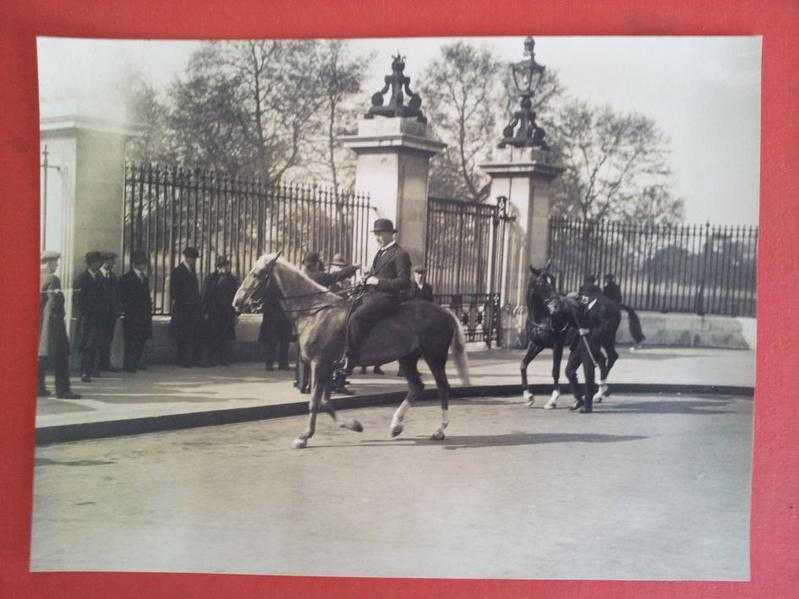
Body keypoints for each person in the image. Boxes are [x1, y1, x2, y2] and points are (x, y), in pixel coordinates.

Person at [344, 218, 412, 371]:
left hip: (388, 298)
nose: (377, 237)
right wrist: (367, 278)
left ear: (390, 234)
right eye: (376, 234)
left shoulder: (400, 254)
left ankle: (352, 358)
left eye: (380, 234)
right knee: (346, 311)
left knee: (357, 317)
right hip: (372, 295)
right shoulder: (380, 253)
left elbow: (404, 282)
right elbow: (378, 275)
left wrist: (377, 282)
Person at [295, 251, 359, 393]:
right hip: (319, 319)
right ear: (316, 263)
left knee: (305, 352)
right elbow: (334, 278)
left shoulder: (301, 275)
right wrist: (354, 267)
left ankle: (302, 383)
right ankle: (327, 385)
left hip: (304, 319)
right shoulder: (316, 276)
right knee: (329, 351)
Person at [38, 251, 80, 399]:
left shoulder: (35, 276)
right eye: (55, 262)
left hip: (39, 324)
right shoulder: (53, 279)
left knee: (40, 357)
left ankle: (39, 388)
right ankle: (63, 390)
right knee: (61, 356)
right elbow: (56, 303)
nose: (56, 265)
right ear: (49, 263)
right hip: (53, 324)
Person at [564, 284, 612, 414]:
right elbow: (573, 317)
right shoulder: (582, 305)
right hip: (578, 344)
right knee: (569, 371)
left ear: (594, 296)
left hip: (591, 344)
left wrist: (589, 331)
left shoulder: (601, 308)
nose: (583, 296)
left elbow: (606, 327)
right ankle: (579, 398)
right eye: (582, 294)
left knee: (588, 375)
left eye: (585, 294)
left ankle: (588, 404)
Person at [200, 256, 240, 366]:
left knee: (225, 337)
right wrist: (204, 311)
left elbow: (236, 297)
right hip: (214, 312)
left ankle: (223, 358)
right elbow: (205, 295)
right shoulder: (211, 279)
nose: (227, 268)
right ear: (219, 267)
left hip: (227, 312)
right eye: (225, 266)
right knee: (212, 336)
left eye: (228, 266)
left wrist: (236, 314)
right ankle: (210, 358)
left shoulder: (232, 280)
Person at [118, 250, 153, 372]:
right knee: (131, 341)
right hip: (132, 315)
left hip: (143, 315)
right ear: (135, 264)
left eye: (143, 263)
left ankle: (136, 363)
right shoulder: (126, 278)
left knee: (141, 340)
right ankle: (130, 365)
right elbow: (123, 297)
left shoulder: (144, 278)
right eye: (140, 263)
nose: (143, 265)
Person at [75, 251, 107, 382]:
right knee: (85, 345)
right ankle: (84, 371)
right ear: (90, 264)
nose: (98, 264)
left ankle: (93, 369)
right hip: (86, 318)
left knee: (95, 344)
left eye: (99, 262)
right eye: (95, 262)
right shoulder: (82, 278)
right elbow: (77, 299)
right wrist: (83, 313)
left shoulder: (100, 277)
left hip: (98, 318)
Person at [169, 247, 202, 367]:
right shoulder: (178, 271)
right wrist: (186, 300)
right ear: (187, 258)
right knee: (182, 334)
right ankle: (182, 359)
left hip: (192, 309)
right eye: (193, 258)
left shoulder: (191, 271)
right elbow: (173, 291)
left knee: (190, 334)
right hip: (182, 308)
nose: (194, 261)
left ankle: (189, 359)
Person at [259, 279, 292, 371]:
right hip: (273, 317)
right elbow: (268, 299)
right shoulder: (270, 283)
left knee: (284, 341)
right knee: (272, 342)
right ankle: (270, 363)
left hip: (284, 316)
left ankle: (282, 363)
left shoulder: (285, 282)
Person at [97, 251, 121, 372]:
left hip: (110, 314)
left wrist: (117, 310)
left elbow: (116, 295)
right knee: (98, 339)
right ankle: (97, 364)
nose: (113, 263)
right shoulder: (97, 276)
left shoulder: (112, 276)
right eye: (112, 260)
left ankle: (106, 363)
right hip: (99, 314)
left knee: (108, 339)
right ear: (105, 261)